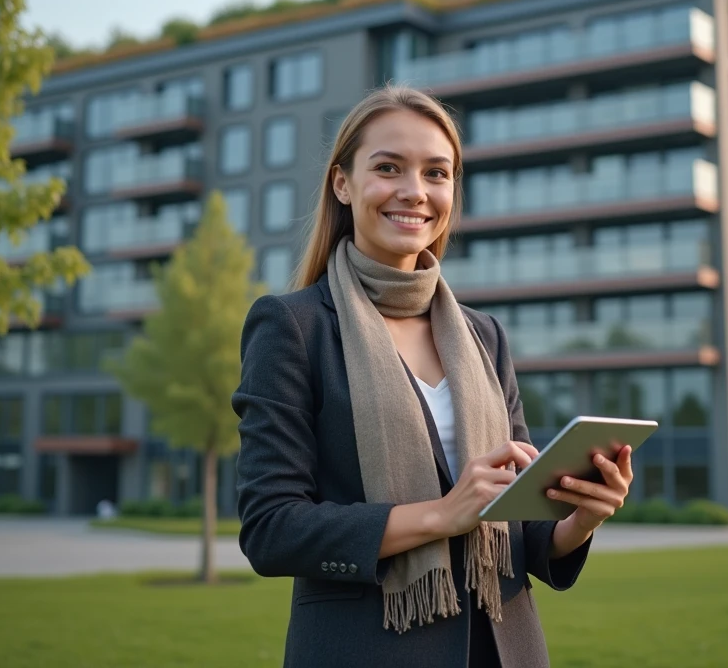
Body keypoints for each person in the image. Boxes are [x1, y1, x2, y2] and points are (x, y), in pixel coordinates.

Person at [232, 86, 633, 668]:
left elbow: (521, 532)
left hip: (504, 650)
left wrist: (582, 516)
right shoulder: (292, 327)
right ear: (342, 184)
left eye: (436, 172)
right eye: (388, 167)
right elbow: (271, 528)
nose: (414, 192)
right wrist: (441, 515)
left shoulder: (483, 335)